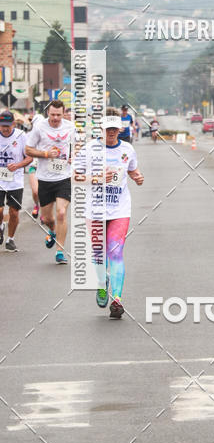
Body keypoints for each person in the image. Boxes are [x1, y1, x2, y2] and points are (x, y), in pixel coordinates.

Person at [74, 113, 144, 318]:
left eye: (115, 129)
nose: (111, 132)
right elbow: (75, 176)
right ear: (101, 130)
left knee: (115, 252)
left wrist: (138, 177)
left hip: (119, 209)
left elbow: (133, 171)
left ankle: (117, 300)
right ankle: (101, 283)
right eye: (108, 129)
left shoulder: (127, 149)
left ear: (119, 130)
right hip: (94, 209)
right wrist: (96, 178)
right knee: (98, 254)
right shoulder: (89, 149)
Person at [25, 99, 73, 265]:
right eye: (52, 114)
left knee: (61, 213)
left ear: (63, 113)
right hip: (45, 178)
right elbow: (28, 149)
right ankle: (52, 231)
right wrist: (45, 154)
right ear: (48, 113)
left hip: (63, 177)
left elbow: (77, 146)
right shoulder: (39, 128)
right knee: (47, 219)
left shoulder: (70, 127)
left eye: (58, 115)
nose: (55, 118)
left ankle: (60, 251)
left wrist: (75, 156)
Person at [0, 110, 32, 251]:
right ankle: (1, 226)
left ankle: (10, 239)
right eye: (2, 125)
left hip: (15, 180)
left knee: (13, 212)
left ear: (13, 124)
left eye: (8, 125)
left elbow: (29, 157)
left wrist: (18, 165)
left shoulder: (21, 136)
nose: (5, 128)